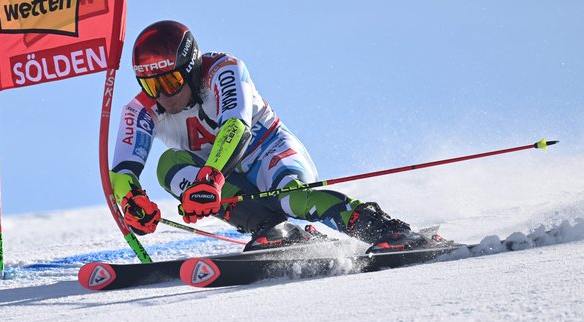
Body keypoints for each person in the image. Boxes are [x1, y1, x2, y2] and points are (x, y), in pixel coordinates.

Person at [111, 20, 430, 251]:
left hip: (268, 151)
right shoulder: (140, 110)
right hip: (225, 176)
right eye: (151, 85)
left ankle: (384, 229)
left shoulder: (223, 70)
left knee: (291, 196)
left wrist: (209, 179)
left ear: (191, 67)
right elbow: (122, 171)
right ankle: (273, 230)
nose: (162, 95)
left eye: (170, 82)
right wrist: (132, 200)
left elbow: (235, 128)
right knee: (169, 164)